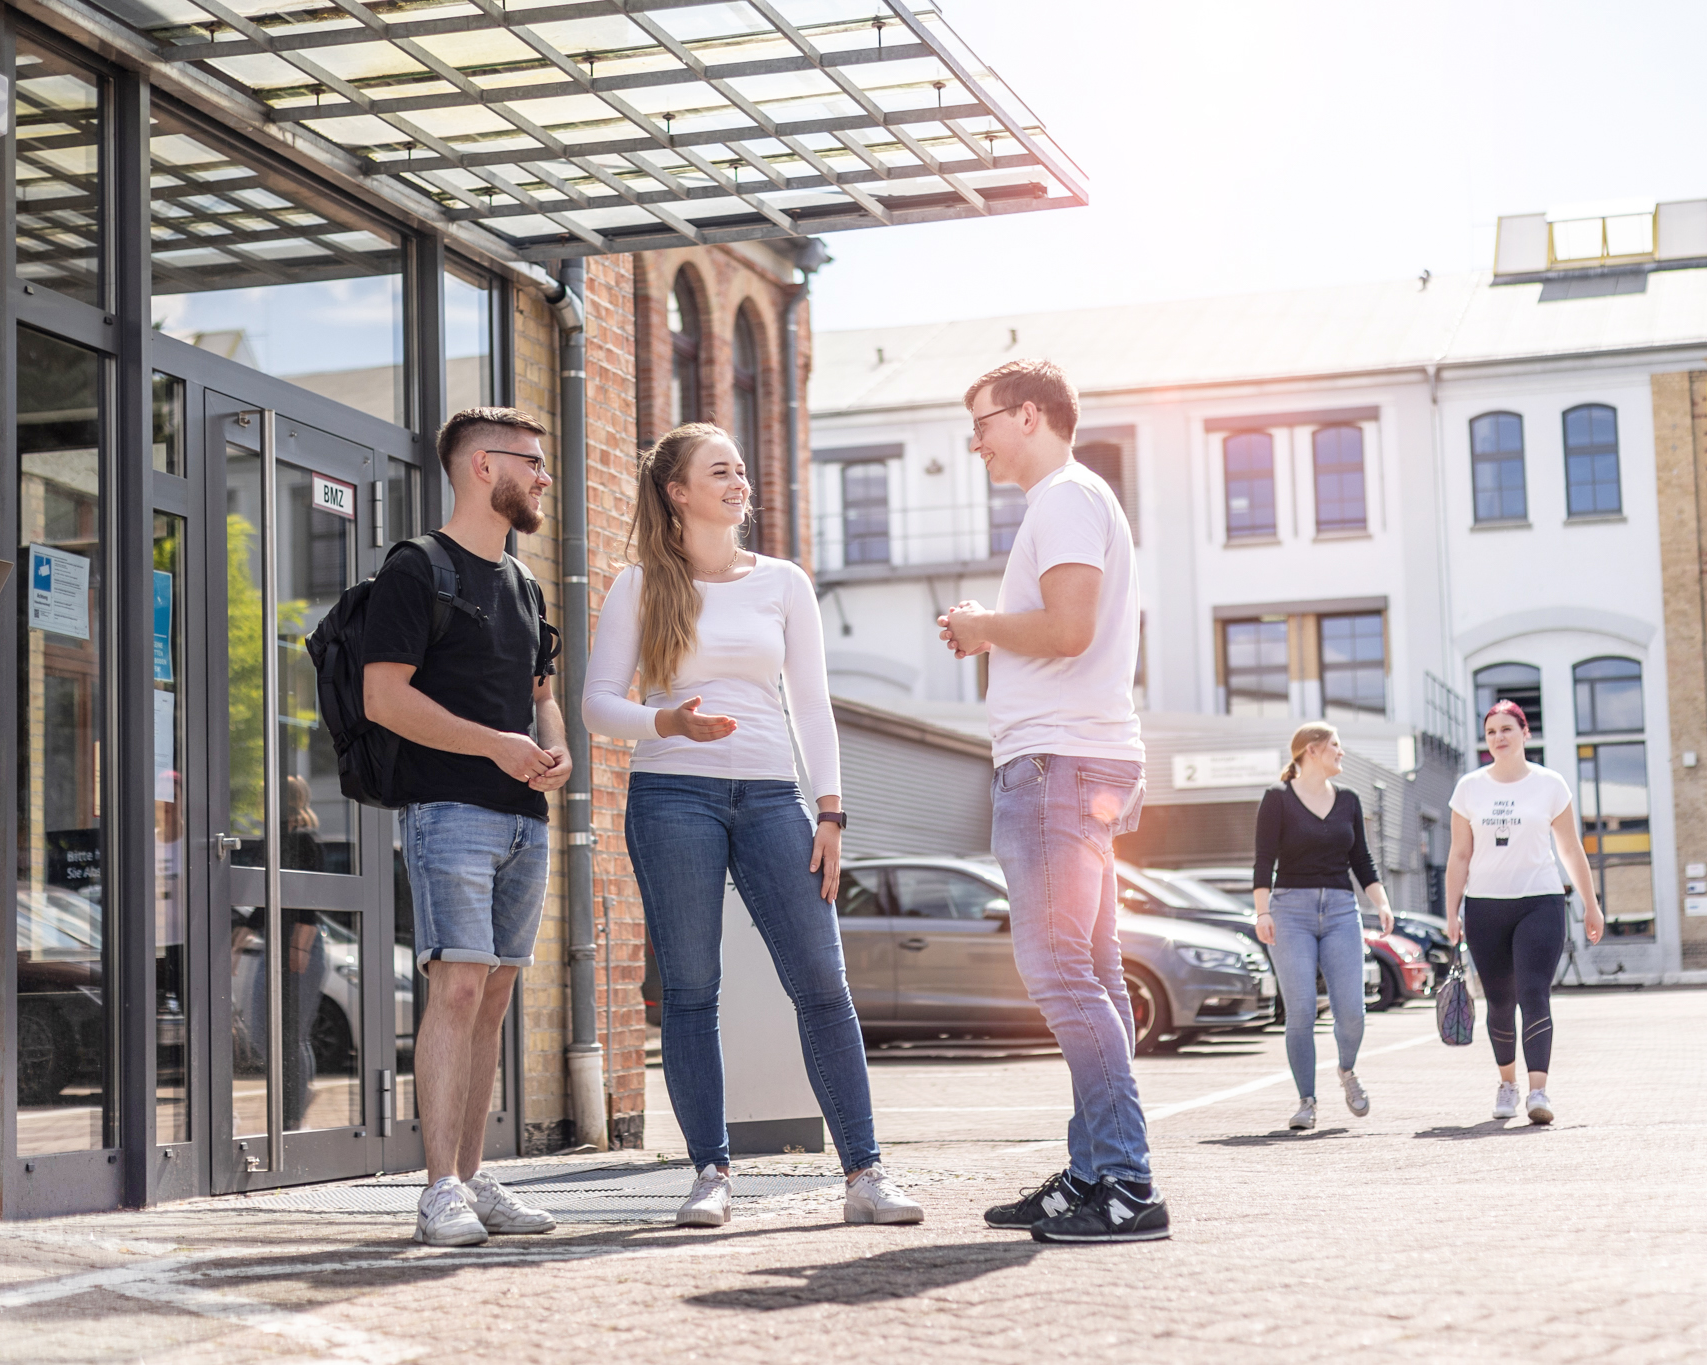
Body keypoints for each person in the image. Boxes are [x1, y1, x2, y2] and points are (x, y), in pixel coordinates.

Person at [583, 422, 922, 1229]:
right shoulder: (639, 584)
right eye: (720, 470)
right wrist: (670, 725)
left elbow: (812, 703)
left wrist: (830, 807)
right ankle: (710, 1171)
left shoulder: (784, 581)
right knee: (694, 991)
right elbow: (597, 705)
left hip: (774, 797)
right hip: (672, 798)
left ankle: (865, 1173)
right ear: (678, 491)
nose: (739, 481)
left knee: (822, 984)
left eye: (741, 468)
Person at [939, 359, 1168, 1245]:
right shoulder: (1076, 500)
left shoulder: (1064, 499)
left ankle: (1125, 1179)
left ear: (1029, 415)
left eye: (984, 421)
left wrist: (982, 626)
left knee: (1060, 972)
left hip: (1058, 766)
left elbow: (1069, 630)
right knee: (1094, 974)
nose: (977, 440)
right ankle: (1093, 1170)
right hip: (1081, 760)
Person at [363, 406, 568, 1246]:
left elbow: (544, 702)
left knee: (492, 997)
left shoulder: (524, 584)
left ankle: (476, 1180)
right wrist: (500, 747)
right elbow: (385, 697)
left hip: (525, 819)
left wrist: (553, 754)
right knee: (454, 985)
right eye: (533, 462)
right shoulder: (417, 569)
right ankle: (437, 1188)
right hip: (448, 811)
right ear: (485, 467)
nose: (544, 477)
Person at [1444, 699, 1604, 1125]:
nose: (1498, 738)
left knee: (1534, 993)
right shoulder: (1469, 788)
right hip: (1485, 907)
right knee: (1499, 1001)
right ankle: (1507, 1083)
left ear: (1524, 733)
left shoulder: (1550, 785)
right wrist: (1451, 912)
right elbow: (1459, 855)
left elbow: (1570, 848)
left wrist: (1592, 905)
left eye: (1506, 729)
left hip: (1540, 901)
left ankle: (1538, 1092)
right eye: (1491, 731)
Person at [1251, 722, 1394, 1131]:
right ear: (1311, 750)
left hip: (1339, 911)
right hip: (1289, 912)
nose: (1341, 752)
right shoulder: (1277, 800)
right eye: (1335, 745)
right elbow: (1263, 861)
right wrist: (1263, 912)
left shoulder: (1348, 800)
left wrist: (1381, 902)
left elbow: (1362, 860)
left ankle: (1347, 1071)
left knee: (1351, 1011)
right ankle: (1306, 1101)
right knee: (1300, 1011)